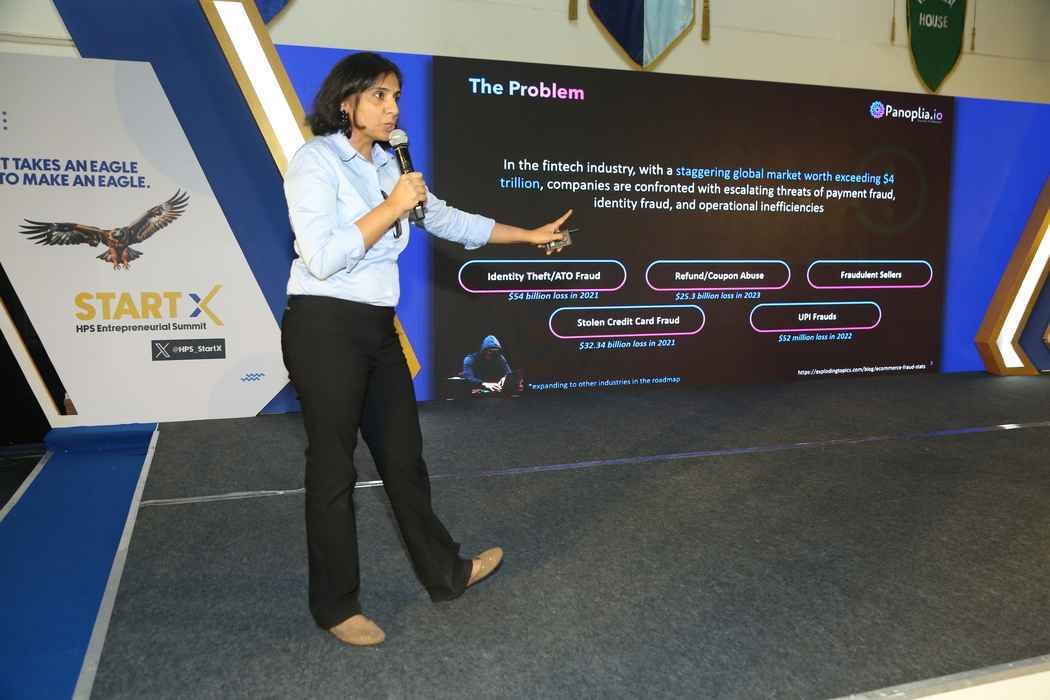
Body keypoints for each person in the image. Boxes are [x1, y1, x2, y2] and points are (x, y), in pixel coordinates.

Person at [280, 52, 571, 647]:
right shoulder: (315, 161)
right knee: (333, 469)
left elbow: (450, 221)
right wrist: (392, 204)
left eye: (396, 96)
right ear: (346, 102)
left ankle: (446, 572)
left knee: (404, 459)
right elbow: (322, 256)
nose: (393, 108)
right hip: (323, 326)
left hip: (377, 327)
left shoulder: (391, 165)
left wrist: (527, 235)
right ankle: (336, 606)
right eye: (379, 96)